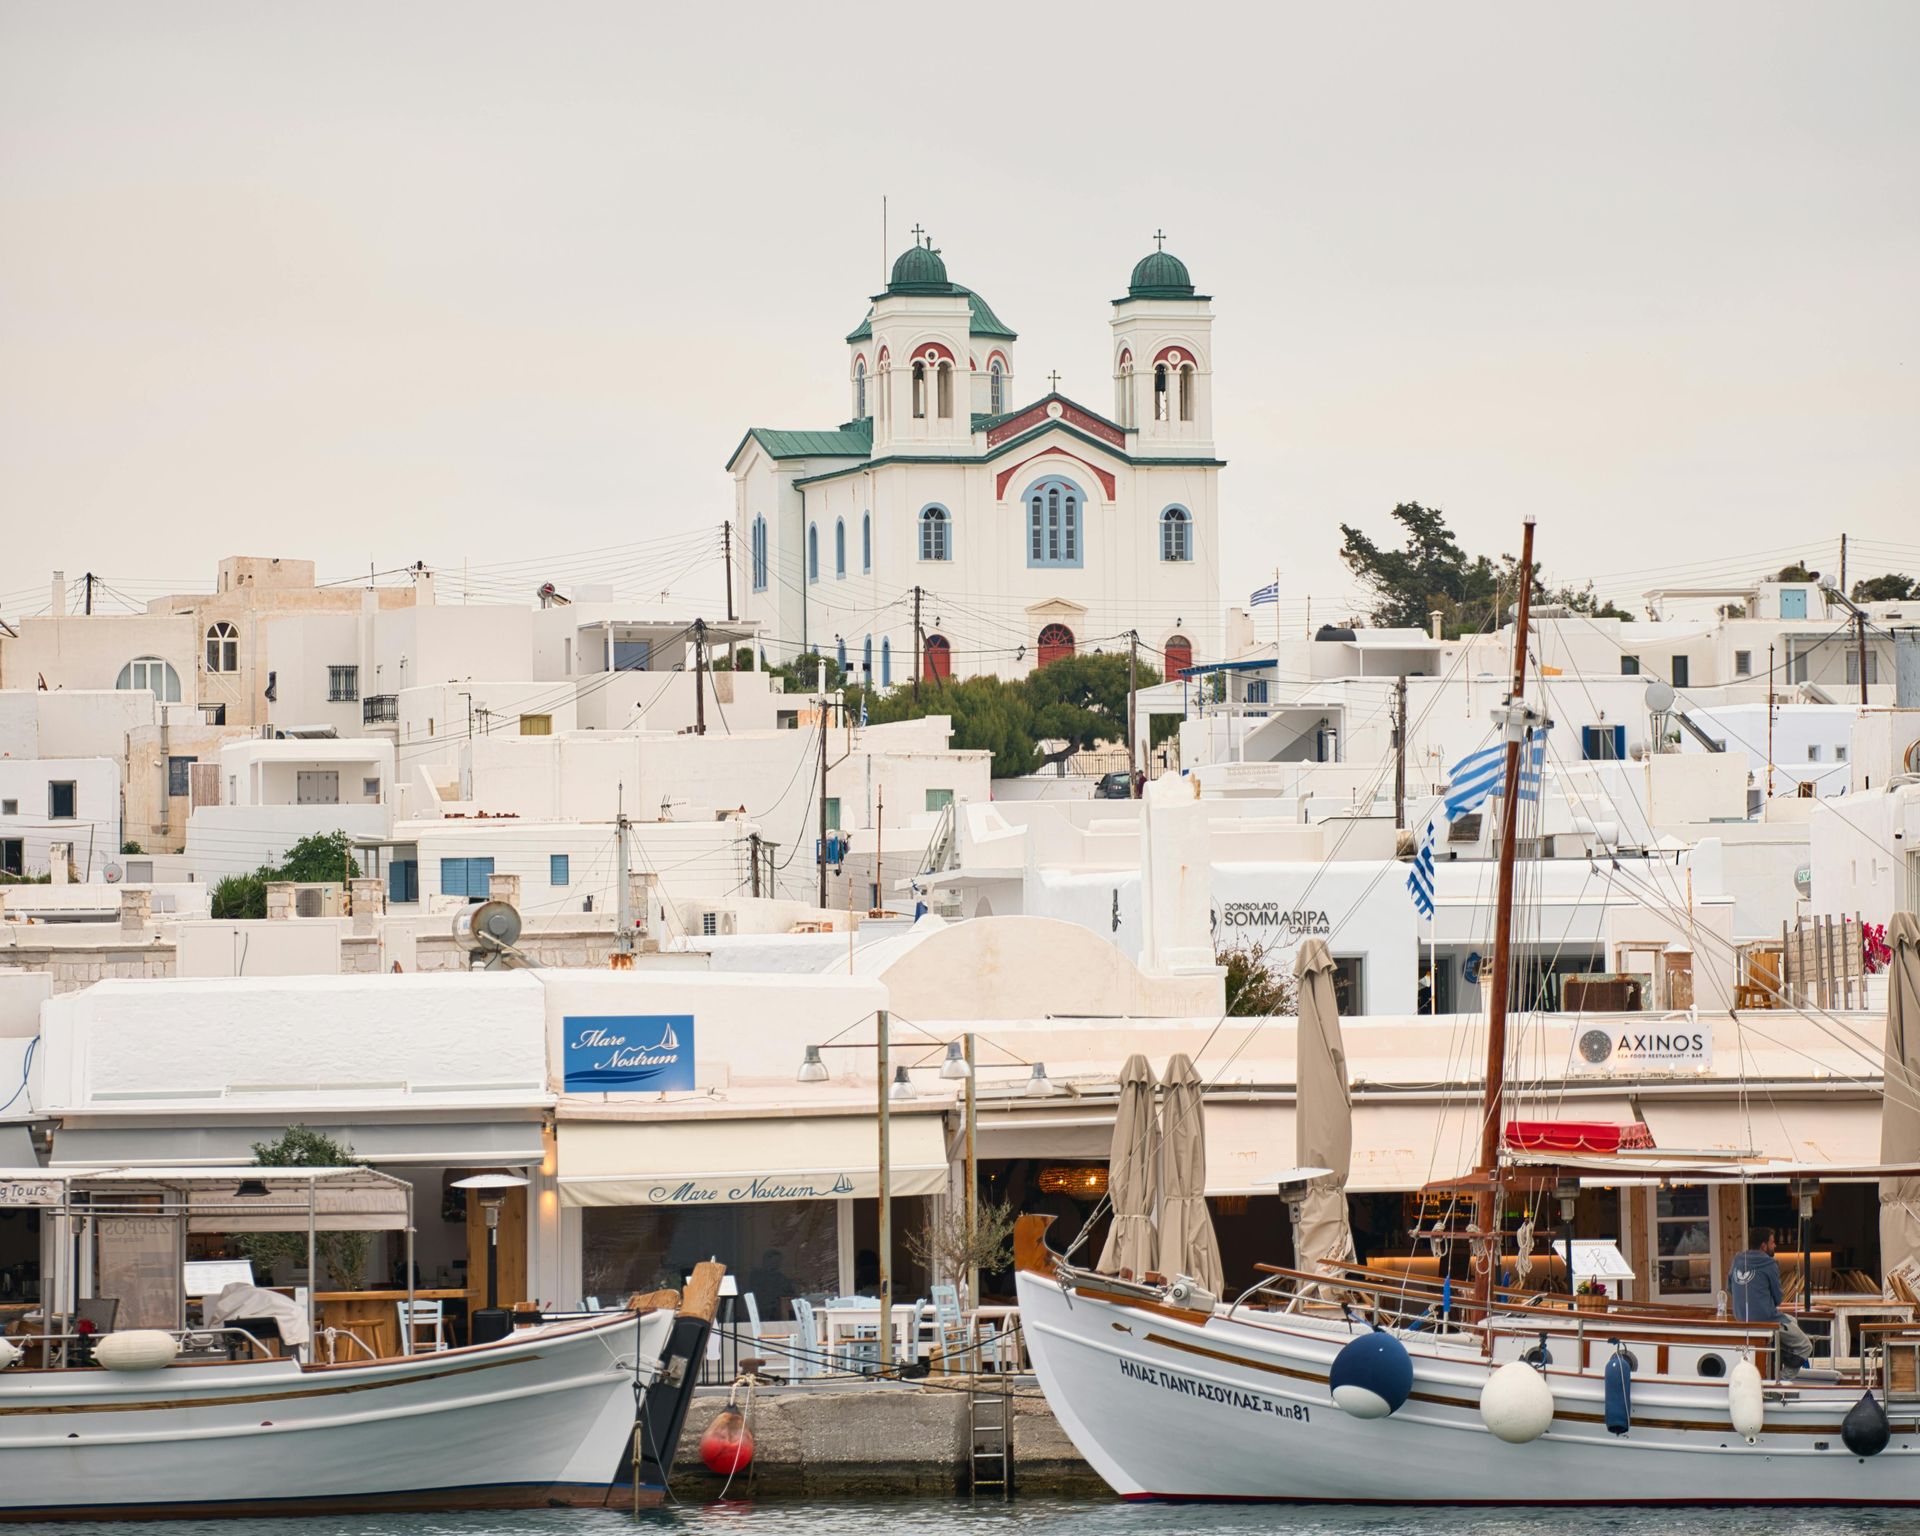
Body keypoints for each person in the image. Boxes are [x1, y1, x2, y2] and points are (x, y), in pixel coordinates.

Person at [1729, 1226, 1814, 1375]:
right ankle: (1782, 1380)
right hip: (1766, 1321)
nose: (1775, 1245)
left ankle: (1776, 1361)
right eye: (1772, 1242)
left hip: (1741, 1319)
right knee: (1805, 1346)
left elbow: (1729, 1288)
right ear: (1763, 1246)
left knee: (1792, 1320)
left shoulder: (1737, 1260)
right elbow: (1778, 1298)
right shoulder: (1769, 1263)